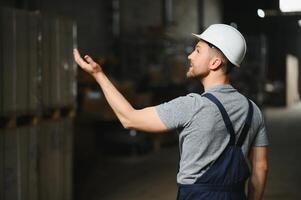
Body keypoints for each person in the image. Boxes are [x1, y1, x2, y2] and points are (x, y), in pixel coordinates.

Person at [73, 24, 268, 200]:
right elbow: (260, 168)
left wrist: (98, 75)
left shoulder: (192, 106)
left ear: (215, 63)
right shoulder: (253, 110)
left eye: (198, 51)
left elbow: (129, 118)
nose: (190, 56)